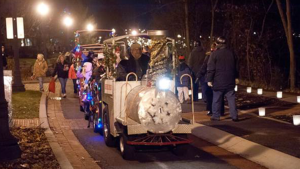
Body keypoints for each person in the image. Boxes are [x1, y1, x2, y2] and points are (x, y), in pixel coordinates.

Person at [207, 36, 239, 122]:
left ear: (217, 44)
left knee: (216, 99)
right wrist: (236, 77)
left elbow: (211, 68)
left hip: (218, 81)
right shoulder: (231, 53)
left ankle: (216, 116)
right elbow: (236, 67)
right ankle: (234, 116)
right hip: (230, 80)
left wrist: (209, 80)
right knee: (231, 99)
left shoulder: (214, 54)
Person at [196, 43, 225, 116]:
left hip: (210, 78)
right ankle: (220, 111)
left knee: (210, 95)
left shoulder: (209, 56)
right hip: (219, 78)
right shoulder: (221, 55)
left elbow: (204, 66)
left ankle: (212, 110)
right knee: (219, 95)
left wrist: (199, 75)